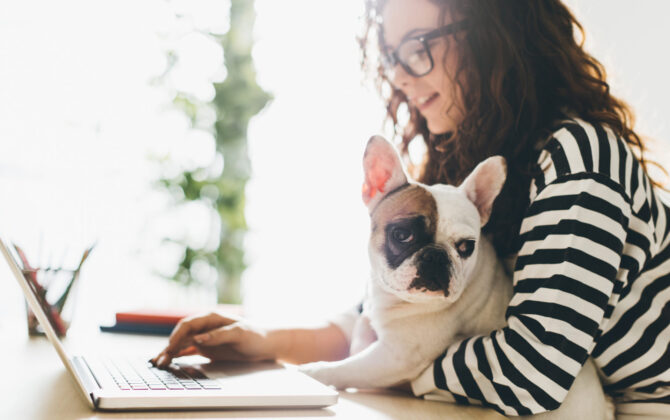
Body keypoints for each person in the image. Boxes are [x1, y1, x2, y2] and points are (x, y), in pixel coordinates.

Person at [153, 0, 670, 418]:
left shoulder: (580, 159)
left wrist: (408, 366)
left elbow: (533, 375)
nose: (399, 76)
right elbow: (386, 321)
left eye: (418, 47)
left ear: (499, 33)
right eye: (391, 56)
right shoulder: (460, 162)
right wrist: (266, 340)